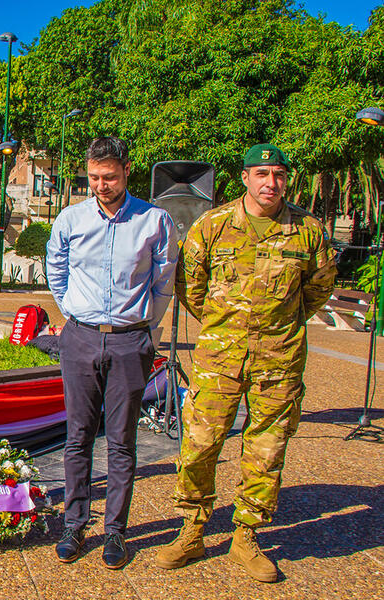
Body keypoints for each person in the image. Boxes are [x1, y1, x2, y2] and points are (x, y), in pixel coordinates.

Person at [156, 143, 336, 583]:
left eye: (278, 174)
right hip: (221, 356)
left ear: (285, 179)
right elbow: (190, 286)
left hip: (280, 359)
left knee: (267, 449)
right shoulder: (213, 225)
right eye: (261, 173)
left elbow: (318, 289)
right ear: (245, 178)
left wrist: (277, 324)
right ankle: (192, 530)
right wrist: (227, 326)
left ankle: (245, 536)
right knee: (200, 443)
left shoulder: (308, 230)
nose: (270, 183)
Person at [46, 136, 178, 568]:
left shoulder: (154, 220)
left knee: (122, 440)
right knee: (78, 436)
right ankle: (74, 523)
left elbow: (163, 282)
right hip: (80, 337)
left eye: (110, 177)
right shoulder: (70, 218)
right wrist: (73, 312)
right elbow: (56, 269)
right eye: (94, 177)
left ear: (126, 172)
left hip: (130, 340)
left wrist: (143, 326)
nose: (101, 185)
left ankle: (116, 533)